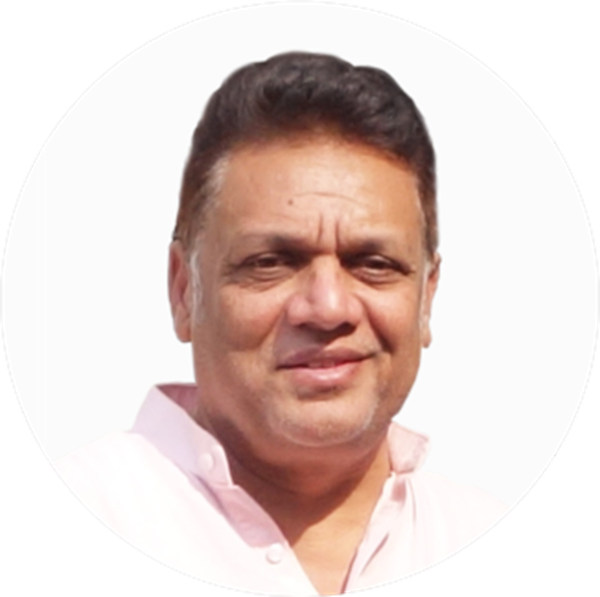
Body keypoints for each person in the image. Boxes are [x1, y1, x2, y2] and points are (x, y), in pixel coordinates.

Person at [55, 52, 506, 595]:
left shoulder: (473, 528)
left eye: (373, 264)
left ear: (426, 298)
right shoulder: (96, 503)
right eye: (271, 263)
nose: (328, 309)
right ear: (183, 291)